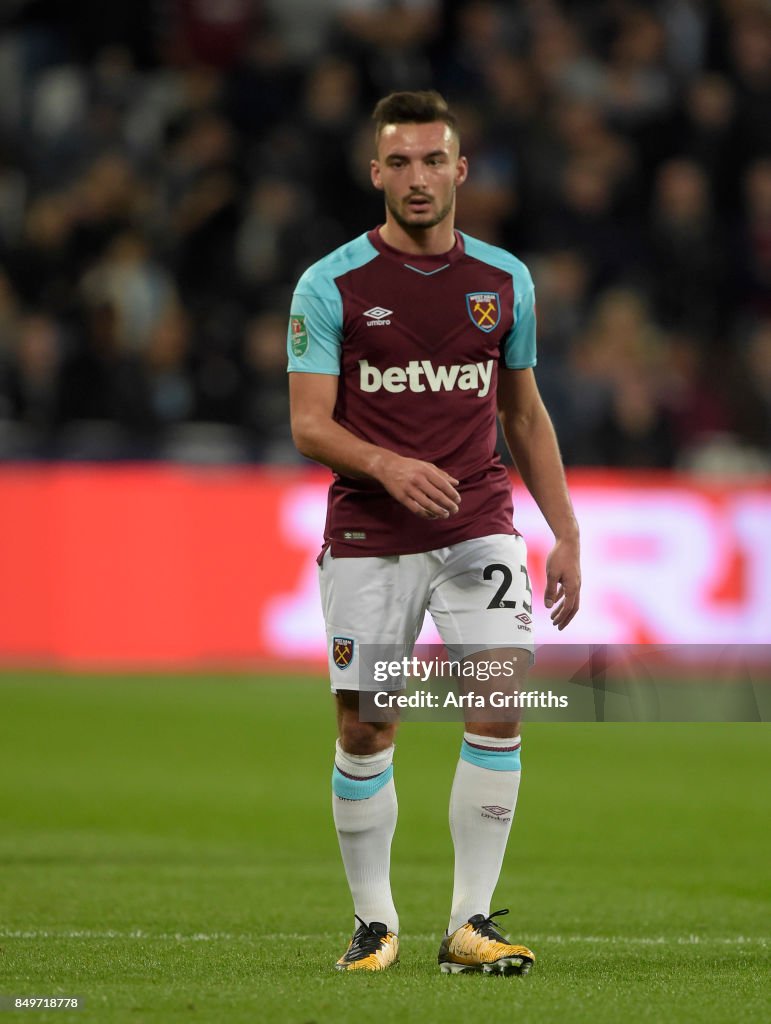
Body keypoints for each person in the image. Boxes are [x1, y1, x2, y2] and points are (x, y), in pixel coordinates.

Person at [287, 90, 581, 974]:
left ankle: (470, 925)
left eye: (432, 160)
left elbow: (523, 415)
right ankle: (374, 924)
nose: (417, 179)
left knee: (498, 703)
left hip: (478, 525)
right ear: (376, 173)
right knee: (368, 725)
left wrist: (563, 530)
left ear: (460, 169)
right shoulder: (329, 283)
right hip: (372, 533)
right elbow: (308, 423)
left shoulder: (503, 281)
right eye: (399, 163)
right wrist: (386, 465)